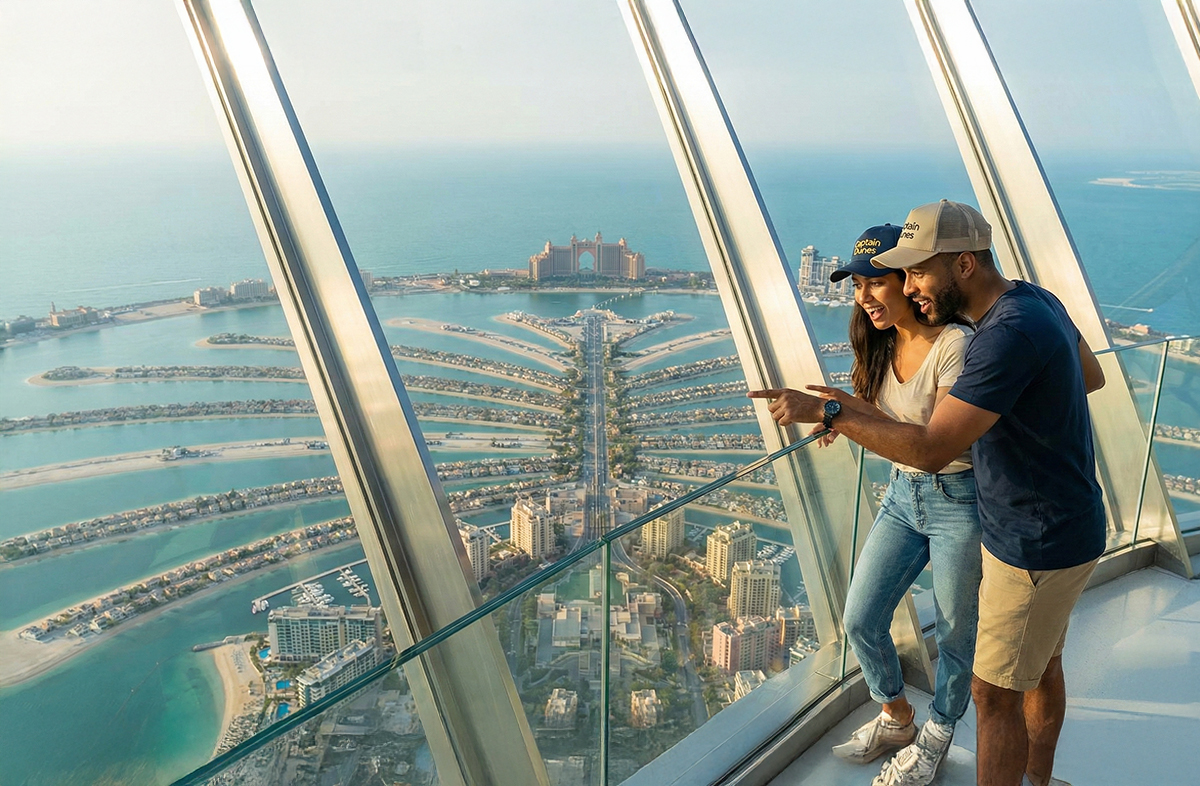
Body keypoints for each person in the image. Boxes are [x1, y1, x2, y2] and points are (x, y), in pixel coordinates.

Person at [750, 200, 1106, 786]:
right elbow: (1089, 376)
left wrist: (831, 410)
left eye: (916, 272)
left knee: (992, 698)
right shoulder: (1035, 302)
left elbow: (931, 449)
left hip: (1030, 537)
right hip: (1063, 521)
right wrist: (1010, 407)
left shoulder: (997, 339)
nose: (910, 287)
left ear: (964, 264)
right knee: (1042, 667)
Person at [818, 224, 982, 786]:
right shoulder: (880, 343)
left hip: (958, 499)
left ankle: (936, 735)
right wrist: (846, 410)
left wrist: (849, 418)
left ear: (908, 282)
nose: (864, 297)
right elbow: (891, 429)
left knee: (958, 635)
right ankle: (896, 715)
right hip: (900, 494)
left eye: (874, 283)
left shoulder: (953, 345)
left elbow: (939, 444)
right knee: (861, 618)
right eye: (855, 286)